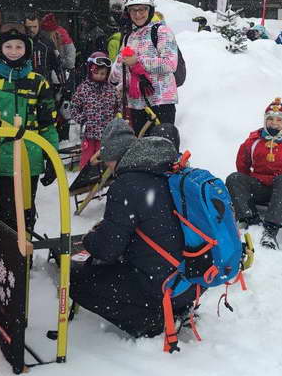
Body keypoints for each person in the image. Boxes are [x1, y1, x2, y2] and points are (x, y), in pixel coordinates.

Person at [70, 118, 196, 338]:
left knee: (79, 282)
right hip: (192, 280)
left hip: (162, 285)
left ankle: (155, 323)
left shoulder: (126, 185)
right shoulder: (170, 168)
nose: (108, 168)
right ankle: (179, 307)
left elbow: (108, 249)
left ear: (115, 157)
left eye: (108, 162)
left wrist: (91, 239)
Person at [0, 23, 59, 232]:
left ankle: (25, 245)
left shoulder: (38, 82)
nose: (13, 51)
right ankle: (3, 247)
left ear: (27, 49)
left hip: (30, 159)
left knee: (25, 210)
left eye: (19, 46)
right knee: (1, 212)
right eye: (8, 46)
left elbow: (48, 123)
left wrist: (52, 156)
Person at [225, 98, 282, 250]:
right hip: (260, 189)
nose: (274, 123)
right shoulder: (252, 142)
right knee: (234, 178)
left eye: (279, 120)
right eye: (270, 119)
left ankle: (270, 230)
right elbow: (242, 168)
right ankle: (250, 221)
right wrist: (243, 193)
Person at [109, 0, 179, 134]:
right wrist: (118, 84)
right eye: (133, 10)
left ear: (150, 10)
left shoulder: (161, 31)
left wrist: (138, 61)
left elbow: (170, 64)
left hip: (161, 102)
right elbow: (123, 69)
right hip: (136, 104)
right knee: (140, 146)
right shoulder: (129, 37)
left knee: (161, 145)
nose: (137, 14)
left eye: (142, 9)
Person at [70, 52, 120, 168]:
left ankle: (103, 176)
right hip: (89, 134)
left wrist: (117, 118)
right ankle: (85, 174)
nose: (99, 76)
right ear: (90, 71)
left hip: (106, 134)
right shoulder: (83, 89)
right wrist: (82, 119)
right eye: (96, 73)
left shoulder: (111, 90)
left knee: (104, 160)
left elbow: (119, 107)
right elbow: (74, 107)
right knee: (87, 159)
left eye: (103, 73)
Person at [25, 14, 62, 83]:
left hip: (44, 83)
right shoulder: (20, 42)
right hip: (25, 83)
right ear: (25, 26)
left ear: (39, 26)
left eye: (35, 27)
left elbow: (58, 64)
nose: (32, 30)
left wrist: (63, 84)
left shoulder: (47, 42)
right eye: (29, 27)